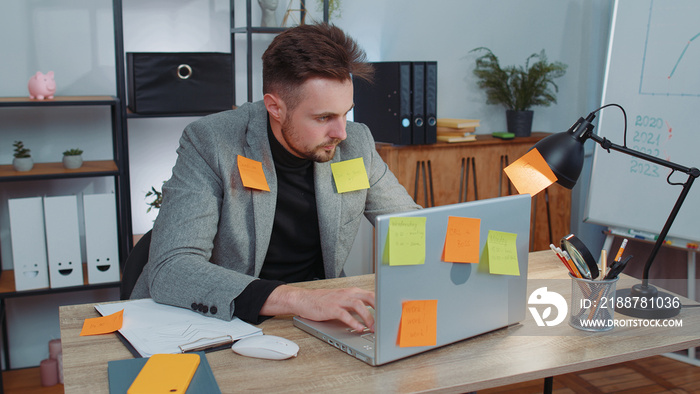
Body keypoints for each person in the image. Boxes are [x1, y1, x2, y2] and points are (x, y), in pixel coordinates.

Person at [130, 23, 420, 332]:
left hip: (312, 318)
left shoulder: (355, 142)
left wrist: (419, 278)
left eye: (345, 113)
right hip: (221, 318)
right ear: (275, 107)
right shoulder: (211, 142)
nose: (341, 133)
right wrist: (301, 299)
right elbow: (172, 268)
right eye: (323, 118)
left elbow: (408, 226)